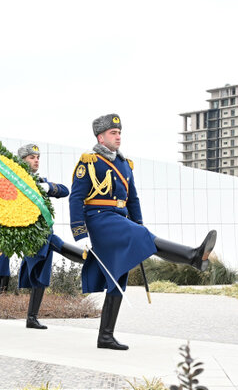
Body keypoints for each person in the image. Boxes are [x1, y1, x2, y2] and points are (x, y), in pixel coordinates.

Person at [70, 114, 217, 350]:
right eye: (113, 133)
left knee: (118, 277)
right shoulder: (90, 162)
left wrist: (139, 225)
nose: (118, 137)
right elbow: (76, 198)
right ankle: (192, 256)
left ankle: (105, 336)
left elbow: (133, 199)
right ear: (101, 137)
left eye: (119, 133)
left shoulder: (124, 164)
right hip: (99, 220)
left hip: (119, 220)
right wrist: (80, 233)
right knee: (141, 239)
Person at [16, 143, 86, 330]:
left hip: (45, 231)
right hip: (32, 234)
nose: (36, 160)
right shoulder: (15, 181)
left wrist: (46, 187)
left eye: (38, 157)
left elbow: (64, 190)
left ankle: (32, 318)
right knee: (52, 257)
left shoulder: (40, 181)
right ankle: (90, 260)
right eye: (32, 157)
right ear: (21, 161)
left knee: (42, 273)